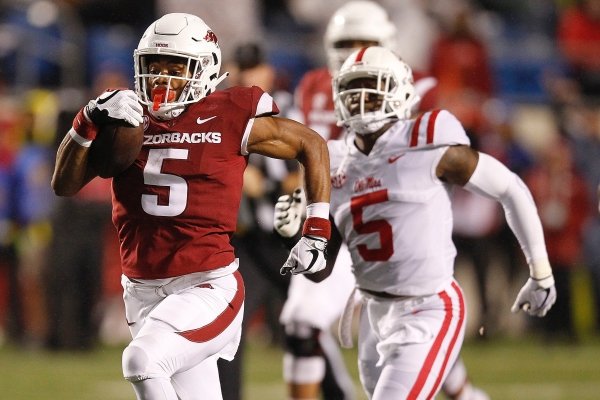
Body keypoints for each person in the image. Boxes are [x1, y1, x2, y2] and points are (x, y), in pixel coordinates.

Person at [51, 13, 331, 400]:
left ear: (203, 69)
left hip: (207, 285)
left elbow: (311, 144)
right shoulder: (128, 119)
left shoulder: (232, 112)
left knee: (142, 362)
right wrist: (87, 120)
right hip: (142, 290)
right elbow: (64, 185)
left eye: (175, 68)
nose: (162, 78)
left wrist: (317, 228)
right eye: (154, 66)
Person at [275, 46, 556, 399]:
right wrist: (293, 237)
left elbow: (510, 188)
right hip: (374, 315)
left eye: (372, 87)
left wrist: (540, 270)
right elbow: (321, 271)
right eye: (354, 88)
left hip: (429, 306)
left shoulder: (426, 140)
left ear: (401, 91)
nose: (362, 98)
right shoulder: (333, 160)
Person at [279, 2, 486, 399]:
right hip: (338, 219)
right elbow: (306, 161)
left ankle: (462, 390)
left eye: (365, 42)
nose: (354, 50)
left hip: (392, 223)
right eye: (346, 42)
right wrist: (303, 198)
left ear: (387, 45)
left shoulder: (416, 82)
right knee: (302, 321)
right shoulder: (312, 87)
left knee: (413, 321)